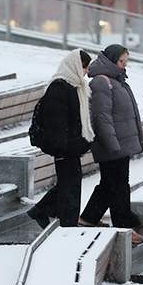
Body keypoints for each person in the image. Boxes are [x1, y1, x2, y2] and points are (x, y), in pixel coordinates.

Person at [79, 44, 143, 245]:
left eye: (126, 61)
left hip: (119, 144)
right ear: (110, 60)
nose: (124, 65)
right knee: (119, 186)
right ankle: (123, 228)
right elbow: (101, 118)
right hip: (112, 145)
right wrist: (112, 145)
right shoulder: (102, 82)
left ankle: (89, 218)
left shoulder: (117, 81)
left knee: (110, 184)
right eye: (121, 61)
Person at [27, 49, 94, 228]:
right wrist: (68, 146)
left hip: (73, 145)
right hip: (65, 147)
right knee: (69, 186)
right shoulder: (58, 87)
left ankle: (45, 212)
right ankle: (67, 224)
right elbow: (56, 123)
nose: (86, 72)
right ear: (75, 66)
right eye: (84, 67)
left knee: (70, 184)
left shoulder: (76, 86)